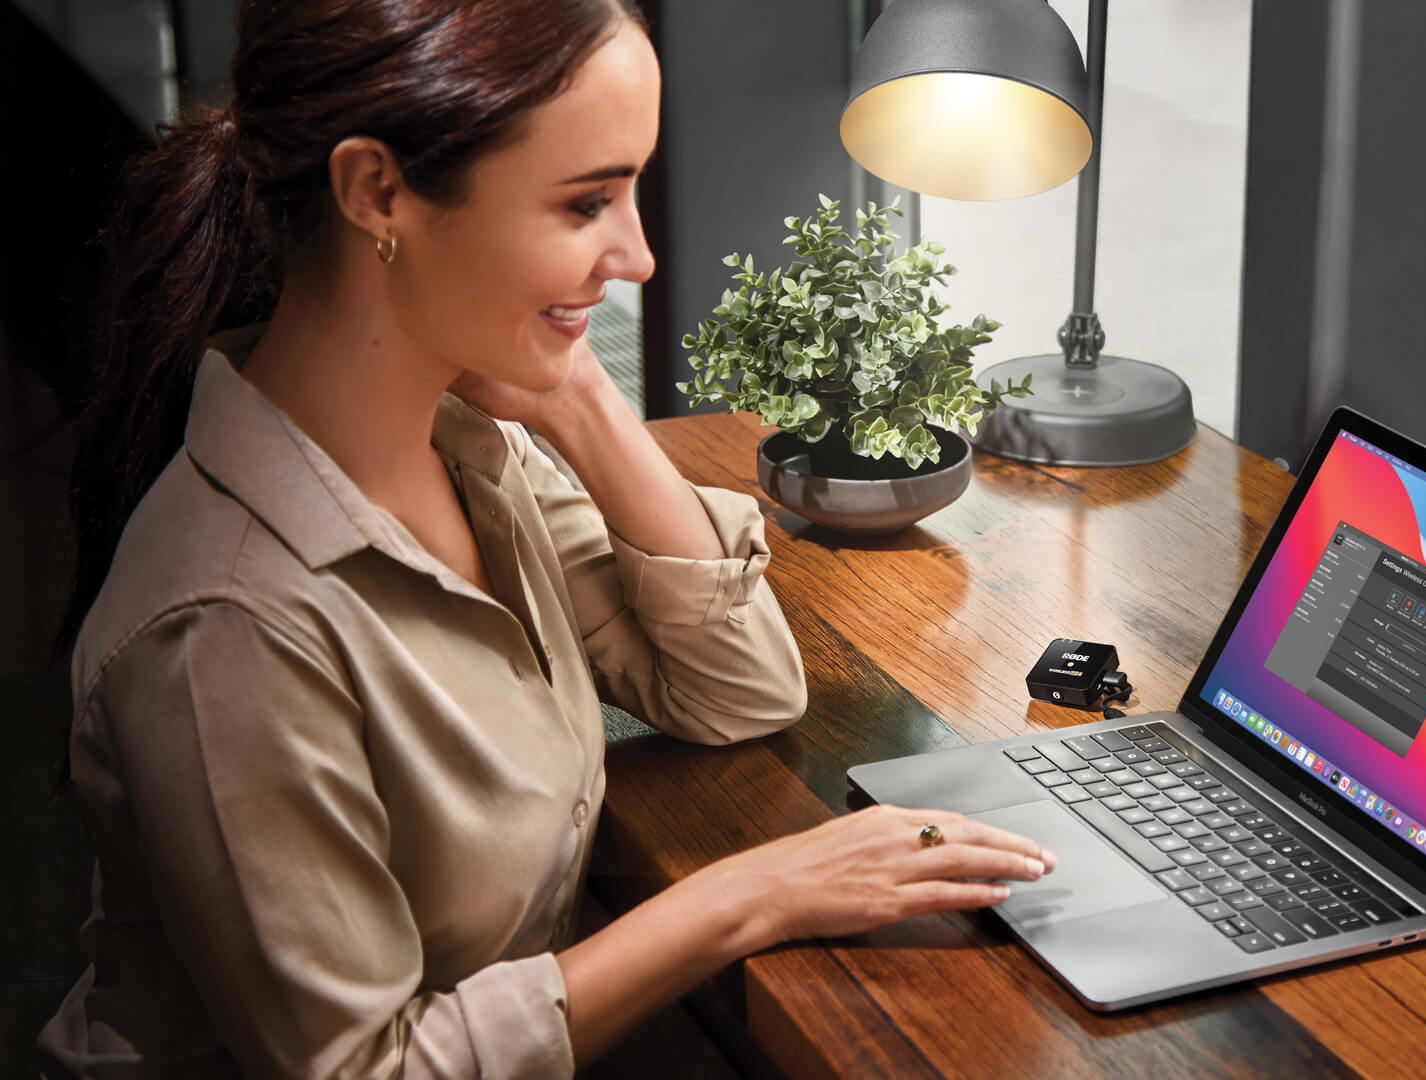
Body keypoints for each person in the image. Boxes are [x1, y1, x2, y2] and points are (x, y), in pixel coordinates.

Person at [37, 1, 1055, 1075]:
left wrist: (577, 398)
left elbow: (739, 689)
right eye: (587, 203)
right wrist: (756, 894)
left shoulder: (459, 441)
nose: (641, 257)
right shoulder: (227, 625)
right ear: (378, 193)